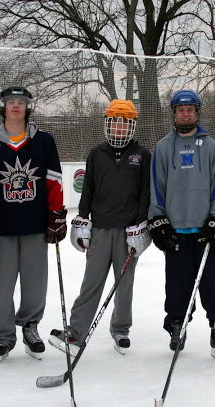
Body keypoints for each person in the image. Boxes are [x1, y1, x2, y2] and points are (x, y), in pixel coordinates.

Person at [48, 99, 151, 356]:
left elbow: (146, 194)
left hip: (128, 230)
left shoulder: (142, 155)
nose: (119, 128)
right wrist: (83, 219)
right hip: (101, 229)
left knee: (124, 282)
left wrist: (140, 225)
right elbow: (88, 189)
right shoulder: (96, 153)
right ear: (108, 124)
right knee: (91, 281)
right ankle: (76, 330)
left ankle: (121, 329)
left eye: (125, 123)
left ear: (132, 126)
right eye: (115, 122)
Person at [147, 89, 215, 363]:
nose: (185, 114)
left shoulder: (211, 146)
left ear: (197, 113)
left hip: (204, 229)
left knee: (213, 281)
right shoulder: (163, 147)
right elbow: (157, 187)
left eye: (190, 110)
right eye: (180, 110)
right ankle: (178, 324)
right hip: (175, 228)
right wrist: (158, 220)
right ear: (173, 114)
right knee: (177, 283)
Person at [0, 85, 67, 363]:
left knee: (35, 284)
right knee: (2, 286)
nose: (16, 105)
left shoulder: (43, 141)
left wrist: (56, 214)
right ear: (3, 107)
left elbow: (53, 179)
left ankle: (30, 326)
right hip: (2, 228)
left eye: (21, 101)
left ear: (28, 107)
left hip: (35, 225)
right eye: (10, 102)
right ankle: (3, 336)